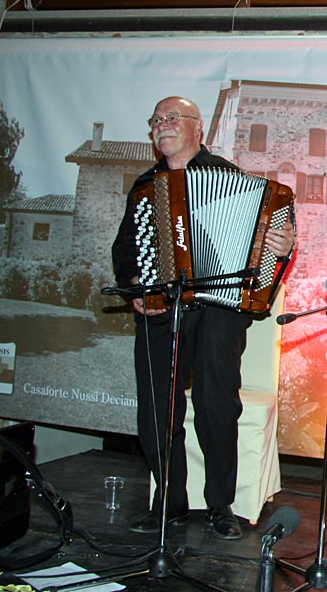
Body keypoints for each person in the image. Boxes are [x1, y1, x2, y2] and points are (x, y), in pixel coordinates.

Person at [111, 96, 295, 540]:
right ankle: (169, 503)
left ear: (197, 128)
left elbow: (265, 244)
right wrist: (136, 282)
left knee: (217, 404)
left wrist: (282, 247)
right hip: (163, 308)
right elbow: (125, 250)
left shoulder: (230, 178)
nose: (161, 126)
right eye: (156, 120)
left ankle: (220, 505)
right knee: (157, 408)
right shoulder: (145, 187)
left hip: (219, 310)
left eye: (172, 118)